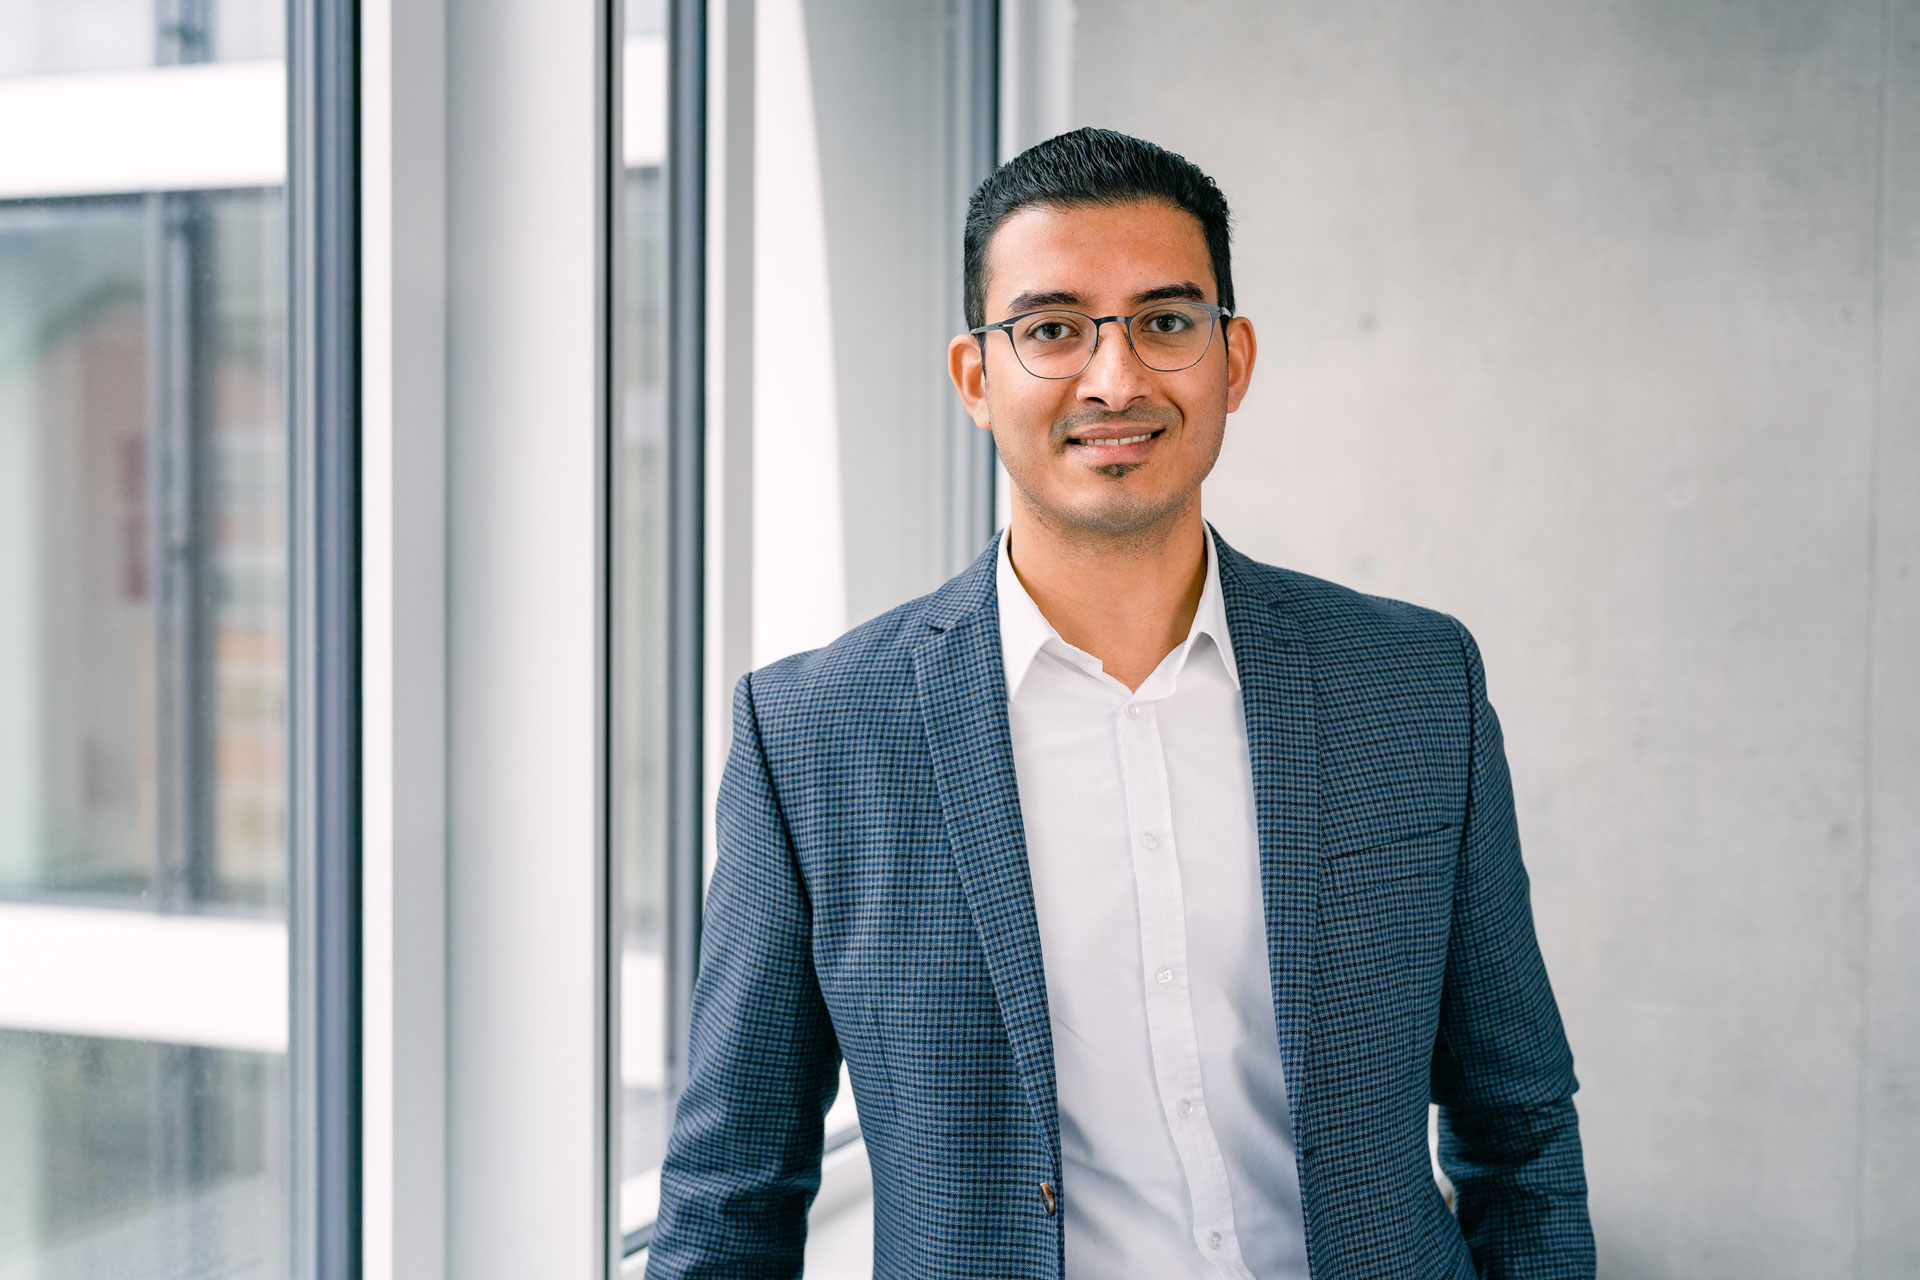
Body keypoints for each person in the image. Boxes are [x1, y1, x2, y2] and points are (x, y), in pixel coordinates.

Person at [646, 127, 1592, 1279]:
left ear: (1232, 359)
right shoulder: (814, 734)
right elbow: (732, 1193)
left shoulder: (1412, 683)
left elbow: (1521, 1130)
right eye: (1052, 329)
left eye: (1165, 320)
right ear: (976, 378)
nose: (1116, 377)